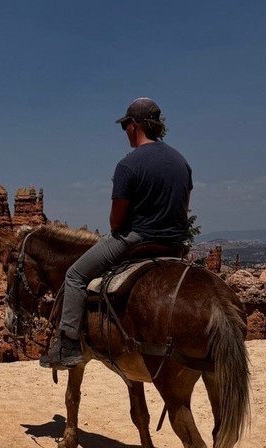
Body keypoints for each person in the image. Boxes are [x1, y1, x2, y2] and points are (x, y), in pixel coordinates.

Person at [41, 97, 193, 369]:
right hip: (175, 245)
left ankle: (68, 345)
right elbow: (184, 208)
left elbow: (115, 223)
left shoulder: (128, 165)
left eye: (125, 126)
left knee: (74, 275)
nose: (125, 132)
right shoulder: (182, 162)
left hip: (138, 240)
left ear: (135, 125)